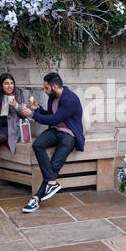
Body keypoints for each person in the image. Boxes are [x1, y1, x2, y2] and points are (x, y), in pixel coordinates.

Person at [19, 73, 85, 212]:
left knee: (54, 165)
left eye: (46, 87)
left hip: (69, 134)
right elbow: (50, 116)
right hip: (55, 131)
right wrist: (38, 109)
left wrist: (31, 115)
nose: (44, 90)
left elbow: (55, 119)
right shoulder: (53, 97)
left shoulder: (70, 99)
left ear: (54, 86)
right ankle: (52, 183)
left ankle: (36, 199)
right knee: (37, 145)